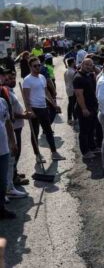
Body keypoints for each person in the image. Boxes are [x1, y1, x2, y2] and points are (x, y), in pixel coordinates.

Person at [22, 57, 65, 162]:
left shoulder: (42, 77)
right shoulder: (27, 80)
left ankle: (54, 153)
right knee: (35, 133)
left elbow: (46, 93)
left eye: (39, 65)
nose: (37, 67)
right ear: (30, 67)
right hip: (34, 109)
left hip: (43, 107)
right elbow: (25, 97)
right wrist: (29, 110)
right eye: (35, 66)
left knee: (49, 131)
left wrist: (54, 105)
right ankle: (37, 155)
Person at [1, 67, 28, 199]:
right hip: (9, 130)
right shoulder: (3, 92)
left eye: (11, 77)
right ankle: (9, 186)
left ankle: (11, 181)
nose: (7, 79)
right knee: (10, 157)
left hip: (12, 128)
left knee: (12, 157)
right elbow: (9, 116)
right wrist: (24, 116)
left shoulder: (6, 91)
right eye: (6, 77)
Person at [74, 58, 101, 159]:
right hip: (84, 109)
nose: (89, 67)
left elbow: (100, 73)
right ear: (81, 64)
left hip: (92, 107)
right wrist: (84, 109)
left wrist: (93, 67)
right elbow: (79, 95)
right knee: (84, 131)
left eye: (91, 65)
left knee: (91, 129)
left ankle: (92, 147)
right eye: (86, 65)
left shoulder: (89, 75)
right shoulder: (78, 77)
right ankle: (85, 152)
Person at [0, 85, 17, 219]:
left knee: (3, 181)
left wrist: (13, 142)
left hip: (3, 149)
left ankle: (1, 209)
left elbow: (8, 123)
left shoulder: (2, 102)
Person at [64, 58, 77, 125]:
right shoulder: (73, 71)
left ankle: (71, 118)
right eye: (74, 62)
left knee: (71, 104)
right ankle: (73, 118)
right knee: (73, 104)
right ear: (72, 63)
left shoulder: (66, 71)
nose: (75, 63)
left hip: (68, 89)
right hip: (72, 90)